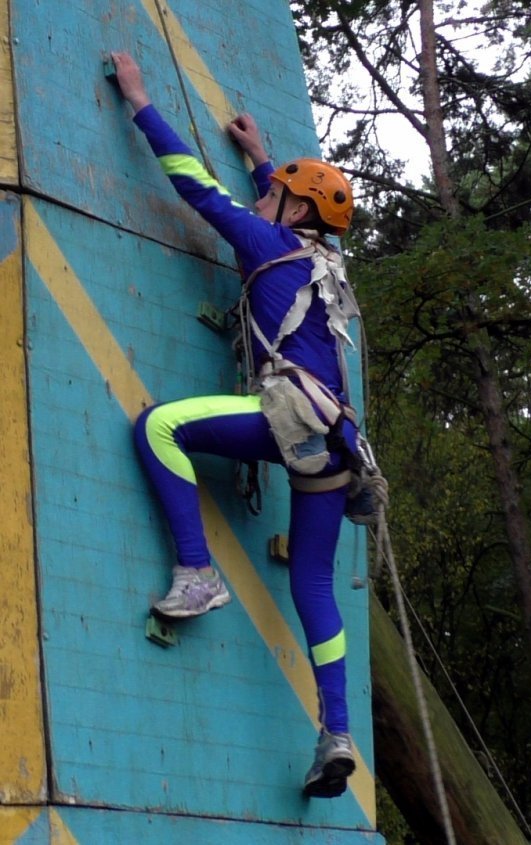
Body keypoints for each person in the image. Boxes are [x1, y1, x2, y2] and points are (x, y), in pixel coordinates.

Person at [111, 51, 360, 799]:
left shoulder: (268, 239)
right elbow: (280, 215)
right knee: (315, 583)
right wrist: (263, 158)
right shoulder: (324, 259)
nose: (265, 199)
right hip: (339, 445)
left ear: (293, 211)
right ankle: (336, 731)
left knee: (159, 426)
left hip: (290, 412)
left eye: (277, 193)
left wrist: (140, 101)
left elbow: (195, 185)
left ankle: (197, 572)